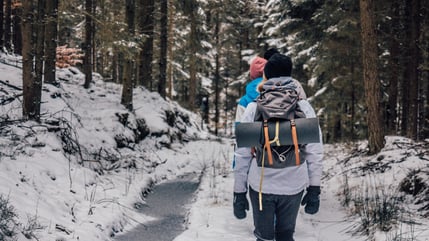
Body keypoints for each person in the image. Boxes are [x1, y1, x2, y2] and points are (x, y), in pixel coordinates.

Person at [233, 53, 324, 241]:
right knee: (285, 236)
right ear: (290, 75)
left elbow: (242, 155)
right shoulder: (304, 107)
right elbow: (315, 152)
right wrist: (314, 188)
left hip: (260, 185)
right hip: (293, 185)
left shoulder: (253, 107)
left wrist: (239, 192)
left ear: (266, 75)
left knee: (264, 238)